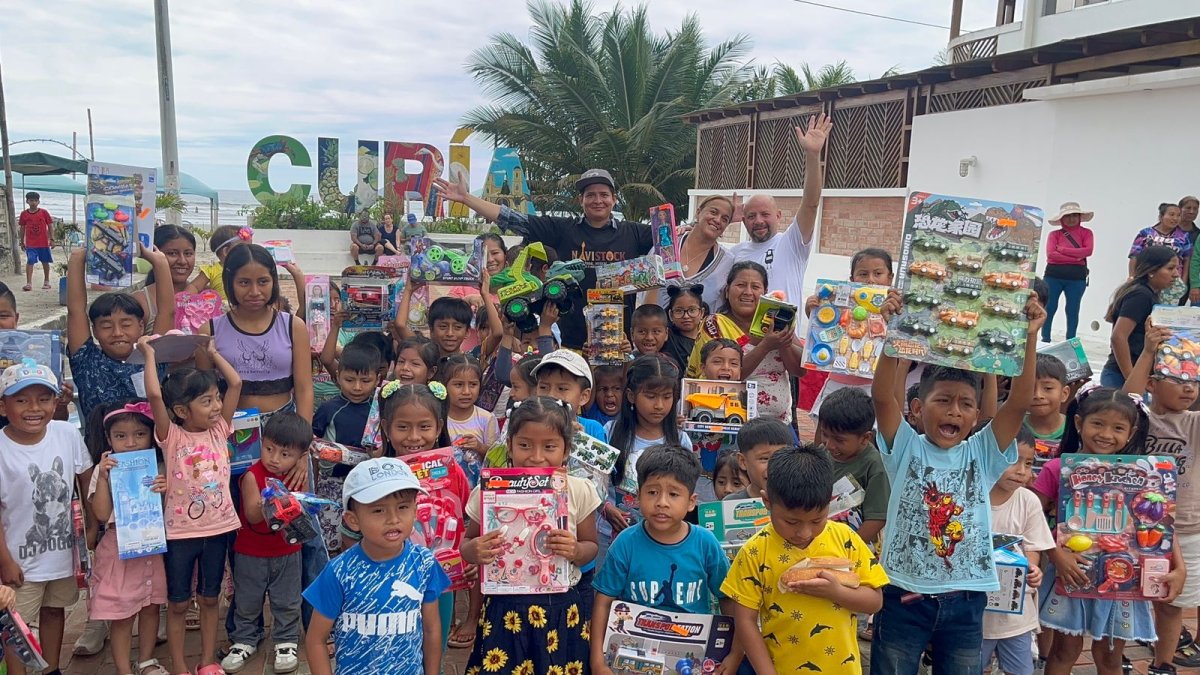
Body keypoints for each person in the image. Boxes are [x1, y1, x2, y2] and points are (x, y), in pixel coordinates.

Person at [868, 291, 1044, 673]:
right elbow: (882, 398)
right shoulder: (905, 446)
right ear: (917, 409)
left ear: (977, 414)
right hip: (902, 595)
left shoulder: (983, 452)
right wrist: (893, 333)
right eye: (943, 401)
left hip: (965, 600)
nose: (954, 411)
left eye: (965, 404)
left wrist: (1030, 337)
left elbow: (1019, 403)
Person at [434, 168, 653, 349]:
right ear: (581, 200)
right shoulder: (563, 229)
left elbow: (667, 237)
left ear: (614, 199)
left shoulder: (634, 233)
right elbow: (513, 219)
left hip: (617, 343)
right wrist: (467, 199)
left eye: (604, 194)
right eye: (590, 195)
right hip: (569, 342)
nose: (598, 200)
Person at [460, 397, 601, 675]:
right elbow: (466, 544)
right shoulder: (489, 490)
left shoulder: (578, 489)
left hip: (560, 607)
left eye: (549, 446)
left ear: (566, 450)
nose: (536, 456)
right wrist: (474, 551)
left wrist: (575, 550)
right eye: (525, 445)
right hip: (504, 607)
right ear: (509, 445)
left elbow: (592, 546)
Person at [722, 443, 888, 673]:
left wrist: (836, 592)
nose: (804, 533)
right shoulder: (755, 552)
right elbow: (745, 620)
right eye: (791, 522)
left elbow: (875, 601)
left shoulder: (845, 539)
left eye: (817, 520)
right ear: (767, 502)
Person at [1031, 387, 1158, 675]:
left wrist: (1178, 566)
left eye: (1118, 428)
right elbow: (1031, 517)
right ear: (1079, 423)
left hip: (1122, 576)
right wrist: (1055, 554)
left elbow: (1158, 520)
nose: (1106, 434)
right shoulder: (1057, 469)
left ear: (1131, 432)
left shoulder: (1145, 475)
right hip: (1072, 573)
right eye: (1098, 423)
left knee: (1111, 657)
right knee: (1064, 651)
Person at [140, 337, 242, 675]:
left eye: (216, 399)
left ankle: (207, 661)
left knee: (211, 598)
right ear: (182, 411)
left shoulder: (220, 430)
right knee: (179, 603)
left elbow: (236, 383)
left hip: (218, 528)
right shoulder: (172, 437)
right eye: (206, 401)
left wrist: (213, 354)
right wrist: (149, 355)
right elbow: (155, 396)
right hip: (181, 533)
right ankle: (180, 665)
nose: (216, 407)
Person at [591, 444, 736, 675]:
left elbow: (727, 598)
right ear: (638, 496)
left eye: (674, 494)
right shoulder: (625, 543)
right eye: (652, 492)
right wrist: (598, 661)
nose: (662, 502)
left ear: (691, 501)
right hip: (633, 657)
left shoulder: (705, 543)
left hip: (691, 658)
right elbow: (603, 602)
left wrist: (734, 653)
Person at [303, 457, 450, 675]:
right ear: (353, 520)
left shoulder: (424, 563)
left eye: (402, 507)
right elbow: (316, 640)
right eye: (378, 510)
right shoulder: (339, 571)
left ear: (415, 510)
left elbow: (431, 629)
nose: (393, 519)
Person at [0, 362, 93, 675]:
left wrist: (91, 525)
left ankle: (51, 669)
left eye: (43, 399)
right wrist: (5, 560)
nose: (34, 408)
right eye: (21, 400)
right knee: (16, 623)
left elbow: (85, 476)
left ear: (56, 402)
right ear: (3, 406)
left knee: (54, 610)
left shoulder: (65, 434)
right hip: (19, 559)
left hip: (60, 552)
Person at [1123, 326, 1197, 674]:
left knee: (1172, 602)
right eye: (1177, 379)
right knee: (1125, 594)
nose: (1188, 387)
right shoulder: (1139, 420)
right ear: (1152, 383)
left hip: (1187, 528)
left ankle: (1163, 664)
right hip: (1133, 525)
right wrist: (1149, 351)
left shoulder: (1194, 424)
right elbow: (1127, 401)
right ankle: (1115, 654)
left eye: (1194, 381)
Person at [222, 413, 312, 674]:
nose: (274, 458)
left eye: (285, 454)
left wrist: (298, 504)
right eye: (269, 449)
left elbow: (303, 508)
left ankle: (286, 640)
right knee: (248, 599)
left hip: (288, 550)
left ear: (300, 457)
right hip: (251, 552)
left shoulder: (296, 476)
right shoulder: (253, 475)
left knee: (287, 599)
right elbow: (251, 515)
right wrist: (270, 502)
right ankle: (244, 640)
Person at [87, 401, 170, 675]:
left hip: (150, 546)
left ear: (151, 435)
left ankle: (146, 661)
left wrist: (165, 489)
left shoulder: (158, 466)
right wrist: (103, 478)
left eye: (140, 434)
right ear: (109, 437)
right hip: (118, 549)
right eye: (121, 436)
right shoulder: (104, 469)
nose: (131, 443)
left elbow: (168, 510)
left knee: (151, 606)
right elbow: (101, 514)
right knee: (121, 614)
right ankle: (123, 669)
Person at [728, 114, 832, 322]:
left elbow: (811, 204)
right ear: (743, 220)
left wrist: (812, 155)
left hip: (786, 339)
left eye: (765, 214)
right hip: (745, 338)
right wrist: (723, 219)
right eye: (751, 216)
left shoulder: (791, 243)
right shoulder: (734, 254)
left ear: (778, 216)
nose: (758, 221)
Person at [197, 243, 314, 421]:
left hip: (283, 427)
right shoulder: (210, 330)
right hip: (229, 426)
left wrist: (302, 432)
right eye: (244, 282)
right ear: (230, 282)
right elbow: (204, 392)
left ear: (273, 281)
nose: (254, 292)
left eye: (263, 281)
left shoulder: (293, 326)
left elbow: (304, 389)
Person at [67, 246, 175, 422]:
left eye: (126, 325)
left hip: (152, 440)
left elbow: (167, 312)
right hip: (100, 441)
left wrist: (160, 262)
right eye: (106, 326)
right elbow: (76, 311)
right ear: (94, 330)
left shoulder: (152, 356)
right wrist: (77, 259)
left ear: (141, 326)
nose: (117, 333)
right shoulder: (87, 360)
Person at [687, 262, 802, 426]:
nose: (748, 292)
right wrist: (765, 346)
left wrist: (783, 342)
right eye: (741, 285)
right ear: (727, 291)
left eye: (755, 287)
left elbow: (799, 370)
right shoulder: (714, 324)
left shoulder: (776, 321)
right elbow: (725, 376)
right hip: (729, 422)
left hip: (778, 425)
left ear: (764, 293)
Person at [981, 427, 1055, 675]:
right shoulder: (972, 499)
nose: (1022, 471)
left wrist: (1032, 569)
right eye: (1013, 460)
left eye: (1029, 463)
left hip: (1015, 613)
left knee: (1020, 669)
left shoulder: (1027, 501)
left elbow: (1033, 547)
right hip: (975, 617)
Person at [805, 247, 895, 416]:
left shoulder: (895, 307)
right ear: (852, 278)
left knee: (871, 428)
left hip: (876, 386)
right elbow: (824, 330)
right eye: (863, 274)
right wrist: (812, 311)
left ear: (890, 278)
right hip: (839, 381)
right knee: (829, 425)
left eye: (878, 273)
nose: (870, 280)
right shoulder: (840, 301)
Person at [607, 355, 692, 520]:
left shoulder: (681, 440)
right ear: (631, 396)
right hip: (610, 529)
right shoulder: (610, 432)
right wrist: (606, 508)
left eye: (666, 397)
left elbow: (684, 490)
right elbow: (595, 483)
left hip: (662, 528)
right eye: (651, 396)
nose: (659, 405)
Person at [816, 387, 890, 546]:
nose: (829, 445)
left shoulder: (874, 466)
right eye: (825, 434)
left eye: (839, 440)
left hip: (854, 545)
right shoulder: (822, 453)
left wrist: (848, 548)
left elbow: (877, 518)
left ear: (865, 438)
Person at [1102, 245, 1179, 388]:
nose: (1176, 274)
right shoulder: (1140, 295)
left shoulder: (1150, 294)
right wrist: (1131, 378)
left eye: (1177, 268)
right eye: (1170, 268)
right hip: (1120, 377)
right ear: (1151, 271)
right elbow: (1118, 337)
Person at [436, 354, 499, 489]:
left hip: (478, 488)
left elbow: (496, 458)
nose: (466, 391)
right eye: (458, 385)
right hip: (446, 485)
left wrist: (479, 447)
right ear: (445, 385)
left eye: (473, 385)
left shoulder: (486, 418)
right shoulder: (438, 418)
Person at [668, 196, 735, 311]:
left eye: (725, 219)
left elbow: (722, 308)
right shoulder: (667, 245)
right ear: (698, 212)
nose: (718, 220)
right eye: (713, 212)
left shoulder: (727, 262)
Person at [1042, 202, 1095, 342]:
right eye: (1067, 216)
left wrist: (1062, 250)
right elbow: (1051, 255)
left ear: (1079, 217)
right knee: (1049, 307)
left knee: (1072, 310)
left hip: (1076, 278)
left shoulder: (1087, 233)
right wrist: (1076, 257)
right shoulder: (1054, 235)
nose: (1071, 219)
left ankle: (1070, 341)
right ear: (1061, 218)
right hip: (1053, 276)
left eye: (1074, 215)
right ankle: (1045, 339)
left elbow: (1088, 251)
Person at [136, 225, 197, 335]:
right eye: (172, 253)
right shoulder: (141, 301)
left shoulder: (206, 295)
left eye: (188, 253)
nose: (182, 261)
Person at [1130, 203, 1191, 306]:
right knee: (1144, 305)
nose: (1175, 218)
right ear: (1161, 216)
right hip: (1147, 278)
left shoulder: (1184, 236)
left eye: (1178, 215)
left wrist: (1183, 281)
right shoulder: (1145, 233)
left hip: (1172, 282)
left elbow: (1186, 259)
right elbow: (1134, 256)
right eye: (1171, 214)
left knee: (1165, 311)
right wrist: (1132, 276)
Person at [724, 417, 793, 502]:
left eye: (781, 457)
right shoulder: (731, 503)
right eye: (765, 458)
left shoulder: (801, 500)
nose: (774, 465)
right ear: (743, 461)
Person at [1024, 354, 1070, 475]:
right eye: (1029, 388)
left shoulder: (1075, 429)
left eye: (1048, 388)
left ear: (1064, 393)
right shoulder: (1014, 427)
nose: (1038, 395)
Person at [188, 225, 252, 305]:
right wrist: (187, 300)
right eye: (245, 249)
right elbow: (194, 286)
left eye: (251, 248)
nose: (250, 252)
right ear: (226, 251)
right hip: (220, 309)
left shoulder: (250, 269)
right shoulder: (212, 270)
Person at [663, 284, 705, 373]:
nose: (686, 316)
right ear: (670, 314)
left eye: (692, 310)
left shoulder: (709, 338)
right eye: (679, 311)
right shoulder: (666, 337)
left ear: (701, 313)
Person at [18, 192, 53, 292]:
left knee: (45, 261)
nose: (33, 202)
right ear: (27, 201)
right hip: (30, 244)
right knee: (30, 261)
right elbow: (22, 228)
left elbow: (50, 225)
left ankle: (46, 281)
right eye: (31, 200)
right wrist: (22, 241)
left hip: (43, 243)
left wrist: (52, 239)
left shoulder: (44, 212)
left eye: (35, 200)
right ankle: (28, 283)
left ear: (38, 202)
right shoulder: (24, 214)